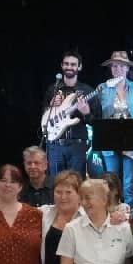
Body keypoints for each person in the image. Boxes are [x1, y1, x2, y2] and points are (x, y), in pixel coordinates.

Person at [94, 50, 133, 203]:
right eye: (115, 66)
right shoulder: (102, 88)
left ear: (128, 69)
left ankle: (128, 220)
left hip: (131, 139)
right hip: (109, 139)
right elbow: (95, 113)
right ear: (111, 69)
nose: (118, 69)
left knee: (128, 183)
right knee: (111, 182)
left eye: (122, 66)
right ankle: (111, 215)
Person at [36, 171, 83, 264]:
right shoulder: (44, 213)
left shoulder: (87, 217)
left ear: (79, 194)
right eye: (58, 192)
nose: (63, 197)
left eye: (68, 192)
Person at [41, 50, 94, 178]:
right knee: (55, 182)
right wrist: (50, 106)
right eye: (66, 64)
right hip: (55, 144)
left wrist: (86, 113)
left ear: (79, 67)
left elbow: (95, 121)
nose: (69, 67)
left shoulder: (87, 91)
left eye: (73, 64)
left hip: (77, 144)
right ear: (62, 65)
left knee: (76, 183)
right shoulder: (53, 89)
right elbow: (43, 114)